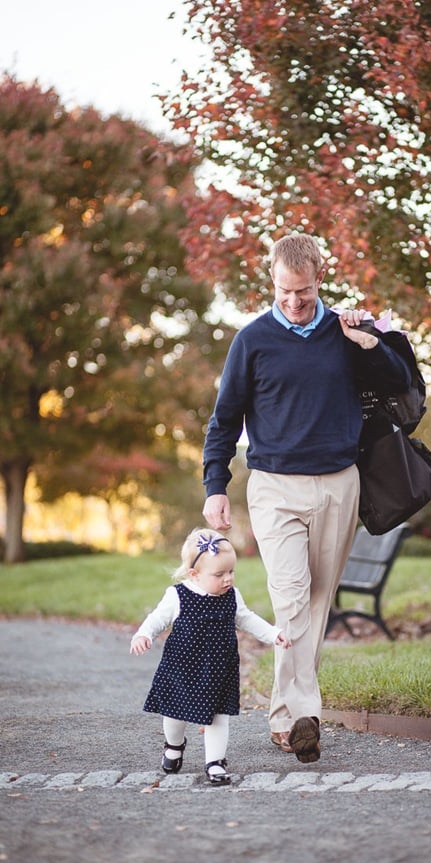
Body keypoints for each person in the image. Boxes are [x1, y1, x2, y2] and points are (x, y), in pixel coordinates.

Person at [201, 233, 410, 764]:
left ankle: (286, 716)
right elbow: (224, 419)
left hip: (339, 482)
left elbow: (401, 384)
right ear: (271, 281)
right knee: (292, 594)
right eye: (285, 290)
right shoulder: (252, 340)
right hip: (274, 486)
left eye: (305, 290)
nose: (294, 301)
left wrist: (371, 343)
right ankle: (300, 717)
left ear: (321, 278)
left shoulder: (347, 330)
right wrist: (215, 486)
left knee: (315, 605)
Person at [130, 527, 291, 786]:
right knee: (174, 713)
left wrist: (273, 634)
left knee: (218, 717)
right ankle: (174, 745)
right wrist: (143, 635)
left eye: (231, 572)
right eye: (219, 574)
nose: (228, 579)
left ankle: (215, 761)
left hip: (218, 668)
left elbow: (247, 619)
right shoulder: (178, 595)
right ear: (195, 574)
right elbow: (157, 618)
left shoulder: (232, 597)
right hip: (181, 667)